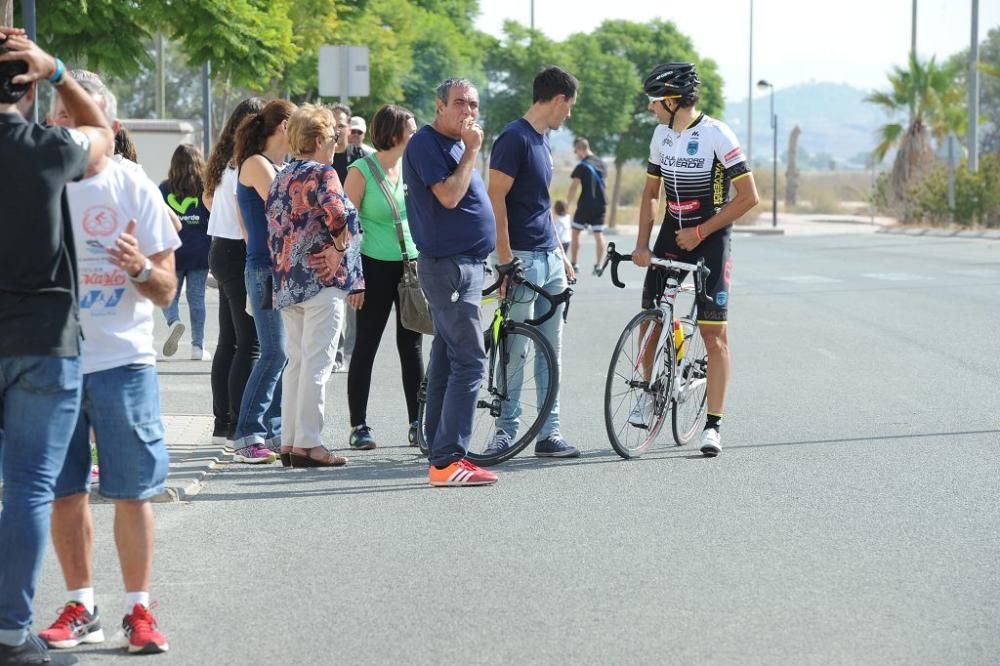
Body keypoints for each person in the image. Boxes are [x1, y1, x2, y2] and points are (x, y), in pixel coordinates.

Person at [38, 68, 180, 656]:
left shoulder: (133, 186)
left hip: (123, 362)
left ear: (110, 127)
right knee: (64, 491)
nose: (65, 123)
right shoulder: (35, 183)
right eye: (59, 114)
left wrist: (139, 269)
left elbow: (168, 288)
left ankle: (138, 611)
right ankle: (82, 605)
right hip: (51, 360)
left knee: (132, 492)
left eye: (78, 115)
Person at [0, 28, 112, 666]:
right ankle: (11, 631)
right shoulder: (47, 147)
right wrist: (61, 71)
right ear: (28, 88)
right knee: (28, 490)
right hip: (44, 341)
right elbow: (104, 138)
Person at [630, 62, 759, 457]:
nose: (650, 109)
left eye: (654, 102)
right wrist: (641, 244)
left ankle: (713, 425)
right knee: (651, 320)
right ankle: (649, 394)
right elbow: (652, 193)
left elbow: (749, 197)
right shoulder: (660, 135)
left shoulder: (717, 135)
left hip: (711, 237)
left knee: (714, 335)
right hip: (672, 232)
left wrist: (701, 232)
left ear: (672, 100)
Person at [403, 78, 498, 487]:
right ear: (439, 105)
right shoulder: (427, 143)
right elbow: (448, 197)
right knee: (471, 359)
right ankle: (448, 461)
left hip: (467, 264)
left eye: (474, 104)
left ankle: (436, 445)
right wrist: (474, 150)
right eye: (460, 103)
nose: (468, 111)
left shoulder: (459, 146)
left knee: (445, 357)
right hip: (449, 267)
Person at [487, 65, 580, 459]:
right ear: (557, 100)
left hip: (549, 257)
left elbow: (540, 207)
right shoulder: (514, 138)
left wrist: (562, 255)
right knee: (516, 348)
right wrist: (505, 259)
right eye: (569, 106)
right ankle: (505, 432)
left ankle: (548, 434)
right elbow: (495, 199)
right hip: (521, 258)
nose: (569, 115)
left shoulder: (542, 142)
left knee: (550, 349)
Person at [268, 103, 363, 467]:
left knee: (296, 362)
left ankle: (291, 442)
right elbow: (338, 218)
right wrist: (339, 250)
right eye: (333, 135)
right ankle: (310, 442)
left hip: (289, 281)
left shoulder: (282, 176)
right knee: (318, 362)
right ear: (320, 138)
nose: (336, 141)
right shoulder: (324, 174)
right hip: (321, 281)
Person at [343, 104, 423, 450]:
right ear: (393, 133)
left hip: (412, 268)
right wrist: (354, 279)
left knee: (413, 347)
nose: (417, 134)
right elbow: (345, 228)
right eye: (412, 128)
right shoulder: (361, 170)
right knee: (366, 346)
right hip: (372, 267)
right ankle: (359, 425)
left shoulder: (413, 166)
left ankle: (417, 422)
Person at [231, 99, 295, 464]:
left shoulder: (279, 165)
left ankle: (273, 428)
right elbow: (286, 208)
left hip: (277, 270)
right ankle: (247, 434)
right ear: (284, 126)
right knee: (274, 351)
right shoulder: (257, 164)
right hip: (264, 269)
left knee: (282, 354)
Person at [203, 98, 264, 445]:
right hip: (238, 251)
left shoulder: (224, 161)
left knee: (231, 341)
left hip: (219, 248)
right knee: (249, 342)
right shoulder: (248, 164)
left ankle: (223, 421)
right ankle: (242, 423)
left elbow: (209, 201)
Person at [160, 144, 212, 360]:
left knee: (168, 294)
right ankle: (197, 347)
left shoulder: (164, 189)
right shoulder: (206, 189)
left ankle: (174, 321)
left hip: (174, 250)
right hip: (201, 251)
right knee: (197, 298)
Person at [328, 103, 356, 373]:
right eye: (332, 123)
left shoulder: (360, 157)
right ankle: (335, 352)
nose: (338, 128)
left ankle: (351, 354)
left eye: (342, 124)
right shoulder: (320, 157)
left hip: (357, 239)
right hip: (328, 240)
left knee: (354, 300)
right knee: (333, 299)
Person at [566, 137, 608, 273]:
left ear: (580, 149)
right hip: (601, 204)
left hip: (585, 204)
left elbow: (574, 187)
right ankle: (599, 265)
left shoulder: (582, 166)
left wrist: (568, 204)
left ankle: (574, 263)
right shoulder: (601, 163)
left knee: (576, 232)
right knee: (598, 233)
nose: (576, 154)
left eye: (576, 151)